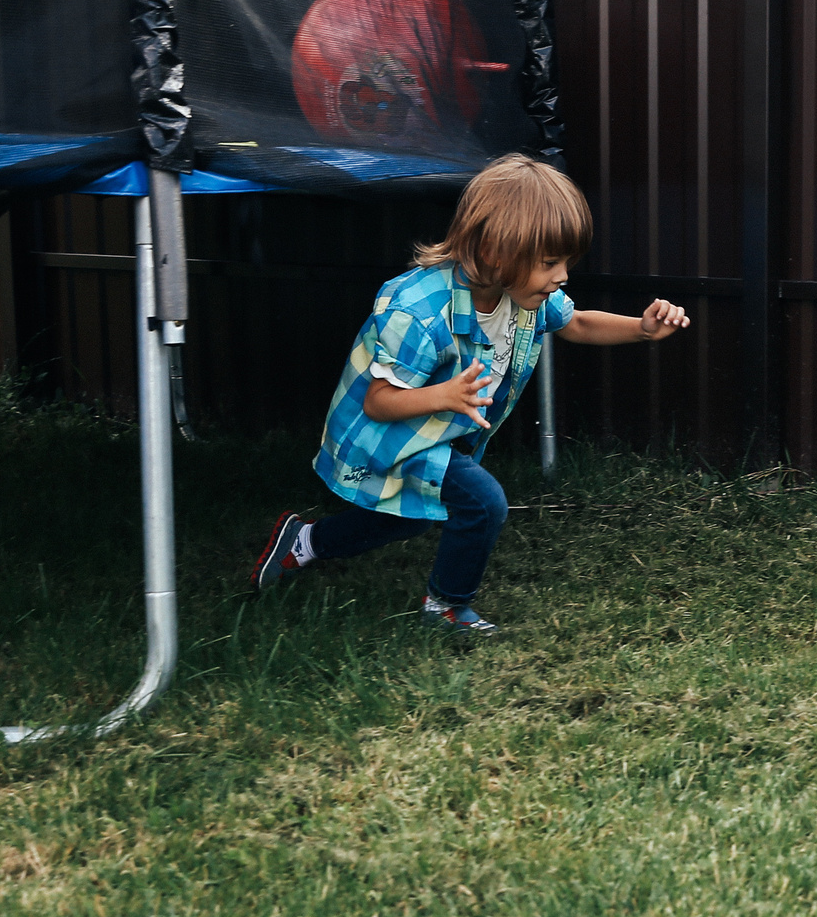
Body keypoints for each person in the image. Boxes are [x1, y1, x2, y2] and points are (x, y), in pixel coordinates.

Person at [249, 153, 688, 633]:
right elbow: (378, 402)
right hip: (396, 430)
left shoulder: (525, 292)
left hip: (441, 427)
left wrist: (641, 330)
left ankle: (304, 541)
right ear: (498, 253)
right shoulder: (418, 311)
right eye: (550, 263)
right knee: (482, 503)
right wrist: (445, 396)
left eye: (565, 262)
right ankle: (447, 606)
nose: (562, 276)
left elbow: (577, 323)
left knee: (411, 516)